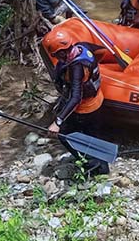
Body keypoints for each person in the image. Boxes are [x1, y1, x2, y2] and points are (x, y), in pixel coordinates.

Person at [43, 28, 110, 177]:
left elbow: (76, 97)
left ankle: (93, 167)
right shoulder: (82, 47)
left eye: (56, 55)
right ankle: (101, 166)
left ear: (62, 52)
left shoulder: (77, 68)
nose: (56, 58)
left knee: (65, 135)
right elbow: (101, 51)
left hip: (85, 109)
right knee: (93, 136)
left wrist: (58, 122)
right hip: (97, 100)